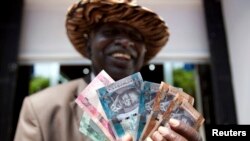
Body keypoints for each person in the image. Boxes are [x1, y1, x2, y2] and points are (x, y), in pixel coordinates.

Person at [14, 0, 202, 141]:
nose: (125, 41)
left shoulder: (172, 111)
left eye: (135, 37)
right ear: (89, 46)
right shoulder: (40, 109)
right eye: (110, 32)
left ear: (144, 54)